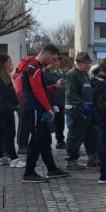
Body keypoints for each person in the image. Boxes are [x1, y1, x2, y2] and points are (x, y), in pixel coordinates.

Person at [21, 44, 69, 183]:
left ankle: (52, 169)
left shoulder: (35, 67)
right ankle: (29, 173)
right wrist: (48, 108)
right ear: (47, 54)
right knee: (36, 140)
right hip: (35, 108)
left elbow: (40, 88)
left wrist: (55, 86)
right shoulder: (34, 67)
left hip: (36, 107)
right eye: (53, 58)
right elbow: (37, 90)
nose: (53, 62)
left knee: (44, 139)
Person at [64, 52, 97, 170]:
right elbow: (70, 93)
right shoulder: (72, 75)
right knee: (74, 136)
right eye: (85, 63)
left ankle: (92, 158)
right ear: (77, 63)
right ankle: (70, 160)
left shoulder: (84, 75)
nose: (88, 65)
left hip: (85, 112)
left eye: (89, 63)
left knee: (88, 135)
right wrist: (82, 104)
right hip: (75, 111)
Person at [0, 54, 19, 166]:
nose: (10, 64)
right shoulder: (1, 76)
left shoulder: (0, 75)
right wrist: (16, 102)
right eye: (8, 62)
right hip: (5, 108)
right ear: (2, 63)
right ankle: (13, 158)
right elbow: (8, 93)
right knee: (10, 132)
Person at [43, 56, 67, 149]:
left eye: (58, 61)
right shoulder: (45, 72)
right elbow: (43, 88)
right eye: (54, 61)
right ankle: (46, 142)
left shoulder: (60, 72)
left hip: (60, 101)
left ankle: (60, 140)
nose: (56, 63)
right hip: (51, 102)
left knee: (60, 122)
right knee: (50, 123)